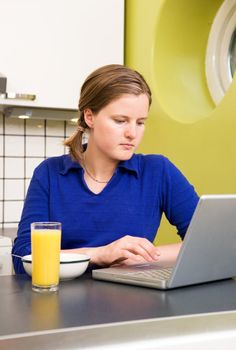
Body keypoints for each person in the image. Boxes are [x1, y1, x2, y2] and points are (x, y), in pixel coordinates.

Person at [12, 64, 199, 274]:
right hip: (60, 302)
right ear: (90, 117)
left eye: (140, 122)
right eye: (120, 121)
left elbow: (205, 242)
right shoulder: (50, 174)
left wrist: (141, 257)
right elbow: (22, 258)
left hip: (134, 303)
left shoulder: (158, 171)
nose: (132, 133)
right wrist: (100, 254)